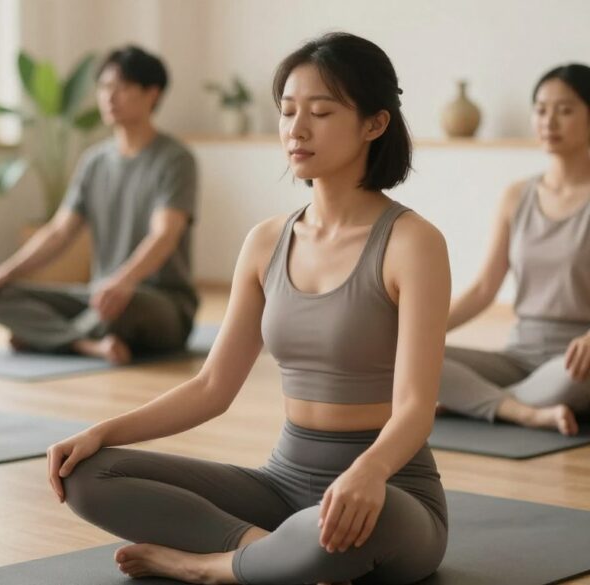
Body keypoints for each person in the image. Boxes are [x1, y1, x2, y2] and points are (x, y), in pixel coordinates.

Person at [46, 33, 450, 584]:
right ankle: (264, 553)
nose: (296, 129)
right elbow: (213, 387)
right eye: (287, 111)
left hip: (388, 490)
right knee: (88, 474)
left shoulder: (412, 243)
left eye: (321, 111)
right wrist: (103, 432)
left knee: (357, 526)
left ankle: (210, 568)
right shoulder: (266, 242)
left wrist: (368, 471)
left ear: (374, 124)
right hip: (283, 485)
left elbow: (415, 407)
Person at [0, 45, 198, 365]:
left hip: (158, 303)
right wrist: (4, 272)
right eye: (105, 87)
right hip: (99, 297)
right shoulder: (94, 162)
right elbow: (58, 233)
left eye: (122, 87)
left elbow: (165, 235)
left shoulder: (175, 159)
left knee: (122, 303)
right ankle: (85, 344)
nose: (109, 96)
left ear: (152, 93)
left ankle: (51, 337)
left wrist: (123, 281)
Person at [437, 63, 590, 436]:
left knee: (573, 377)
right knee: (401, 359)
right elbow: (484, 288)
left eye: (565, 110)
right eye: (540, 109)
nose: (548, 121)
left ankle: (474, 401)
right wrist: (420, 333)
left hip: (576, 361)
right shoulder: (516, 196)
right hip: (517, 355)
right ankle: (523, 410)